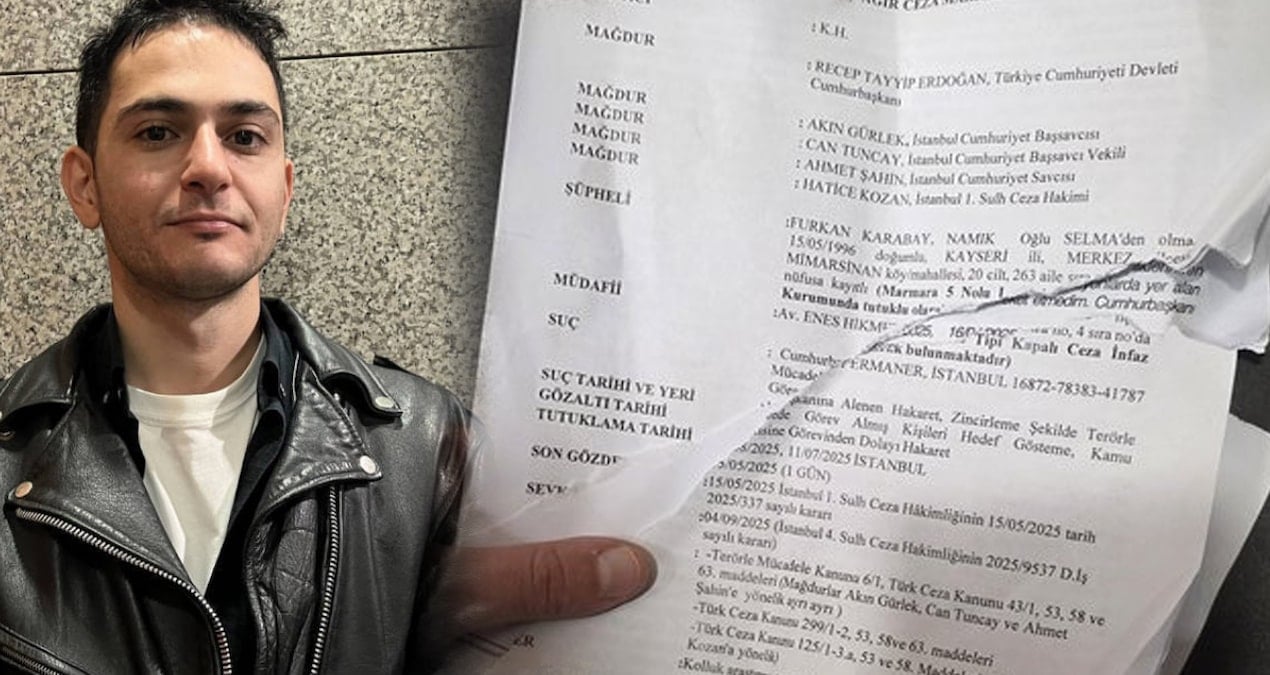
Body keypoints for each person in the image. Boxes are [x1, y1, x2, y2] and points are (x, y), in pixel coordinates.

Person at [0, 0, 655, 672]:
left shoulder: (430, 447)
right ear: (85, 185)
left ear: (284, 190)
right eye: (159, 132)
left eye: (245, 136)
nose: (208, 167)